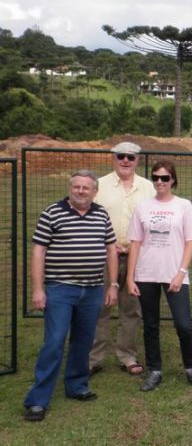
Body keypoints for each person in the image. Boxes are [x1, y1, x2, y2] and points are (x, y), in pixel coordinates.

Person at [23, 170, 118, 422]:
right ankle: (37, 400)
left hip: (93, 289)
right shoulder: (52, 212)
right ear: (70, 188)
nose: (80, 191)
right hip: (60, 289)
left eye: (86, 188)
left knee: (83, 340)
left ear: (95, 191)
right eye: (76, 187)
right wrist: (38, 288)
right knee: (54, 341)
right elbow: (38, 252)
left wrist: (113, 285)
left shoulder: (101, 214)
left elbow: (111, 248)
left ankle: (77, 386)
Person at [126, 161, 192, 391]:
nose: (159, 182)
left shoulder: (184, 206)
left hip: (174, 274)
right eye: (155, 178)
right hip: (146, 273)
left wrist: (181, 273)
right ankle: (154, 370)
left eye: (164, 178)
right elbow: (135, 243)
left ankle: (191, 368)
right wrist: (130, 277)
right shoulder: (142, 207)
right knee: (150, 324)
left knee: (183, 324)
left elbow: (190, 242)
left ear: (173, 180)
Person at [89, 141, 155, 377]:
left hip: (137, 256)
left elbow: (154, 219)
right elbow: (89, 217)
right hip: (105, 255)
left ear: (137, 160)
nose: (125, 161)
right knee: (99, 307)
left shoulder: (148, 187)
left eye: (130, 157)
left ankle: (127, 355)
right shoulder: (100, 185)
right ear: (113, 158)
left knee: (131, 308)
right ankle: (94, 358)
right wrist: (106, 242)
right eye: (120, 156)